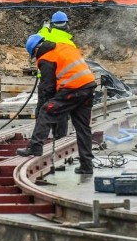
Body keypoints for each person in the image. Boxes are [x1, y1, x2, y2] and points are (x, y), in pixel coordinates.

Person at [17, 34, 97, 175]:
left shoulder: (46, 58)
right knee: (83, 128)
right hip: (88, 86)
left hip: (73, 88)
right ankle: (87, 166)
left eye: (34, 54)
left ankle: (35, 147)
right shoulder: (63, 46)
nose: (35, 57)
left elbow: (47, 88)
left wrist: (43, 108)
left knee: (46, 112)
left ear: (36, 49)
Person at [36, 10, 76, 138]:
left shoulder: (45, 35)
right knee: (61, 112)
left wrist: (45, 27)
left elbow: (36, 38)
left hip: (46, 79)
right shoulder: (70, 43)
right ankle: (59, 138)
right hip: (62, 83)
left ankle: (39, 140)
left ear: (52, 24)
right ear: (67, 25)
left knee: (43, 110)